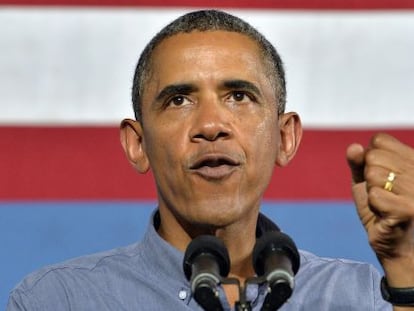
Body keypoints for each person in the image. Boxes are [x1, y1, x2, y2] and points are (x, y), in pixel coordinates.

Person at [7, 9, 414, 311]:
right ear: (138, 145)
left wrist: (407, 269)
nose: (211, 125)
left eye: (239, 96)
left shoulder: (363, 298)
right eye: (179, 100)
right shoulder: (56, 300)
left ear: (284, 138)